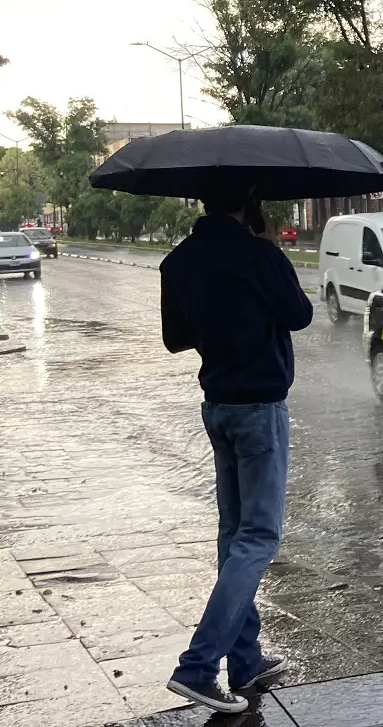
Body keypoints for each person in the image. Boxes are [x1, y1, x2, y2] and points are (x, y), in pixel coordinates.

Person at [159, 187, 313, 713]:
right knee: (259, 537)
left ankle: (245, 660)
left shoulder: (177, 261)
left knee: (234, 534)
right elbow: (299, 315)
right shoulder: (259, 255)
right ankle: (198, 667)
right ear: (248, 203)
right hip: (260, 409)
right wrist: (268, 251)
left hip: (218, 406)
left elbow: (175, 339)